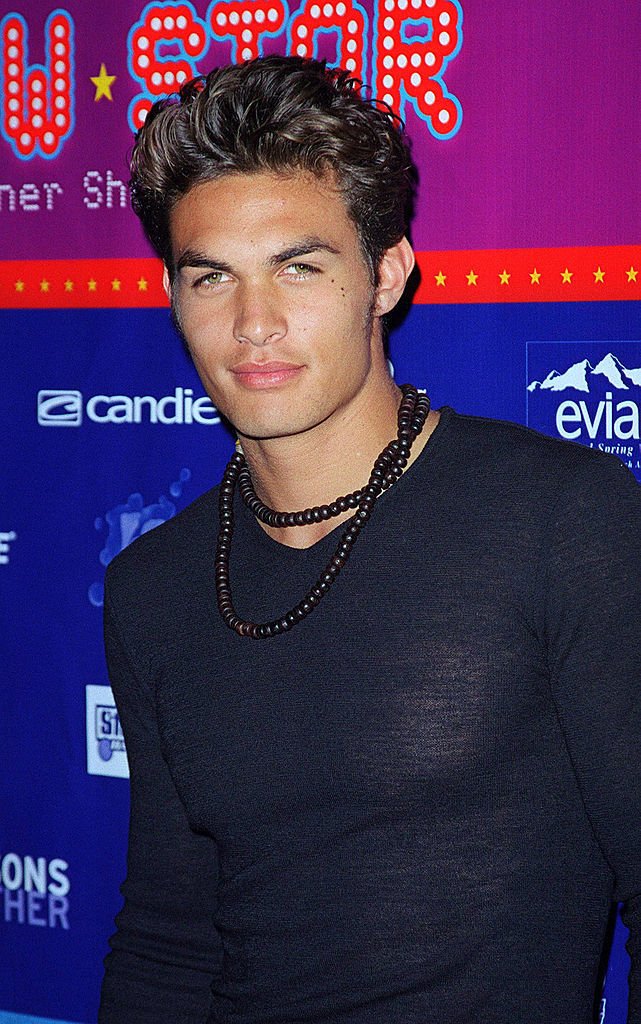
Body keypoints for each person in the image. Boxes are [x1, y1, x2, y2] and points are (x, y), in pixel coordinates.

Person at [98, 55, 641, 1023]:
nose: (253, 323)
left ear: (385, 274)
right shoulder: (153, 585)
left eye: (298, 267)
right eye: (211, 277)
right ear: (173, 295)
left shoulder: (560, 520)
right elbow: (167, 941)